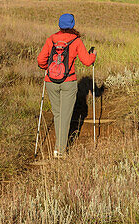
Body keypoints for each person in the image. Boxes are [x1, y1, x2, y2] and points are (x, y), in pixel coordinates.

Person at [36, 13, 96, 157]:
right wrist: (93, 54)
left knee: (58, 114)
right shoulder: (76, 40)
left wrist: (48, 68)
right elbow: (87, 61)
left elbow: (40, 60)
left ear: (59, 24)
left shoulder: (51, 39)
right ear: (72, 24)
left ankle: (58, 146)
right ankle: (60, 150)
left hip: (51, 81)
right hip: (68, 82)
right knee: (65, 115)